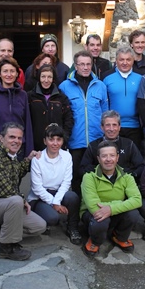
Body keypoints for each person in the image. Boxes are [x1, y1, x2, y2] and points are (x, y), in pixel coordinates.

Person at [0, 122, 46, 261]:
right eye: (12, 137)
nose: (16, 141)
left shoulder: (12, 156)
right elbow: (6, 190)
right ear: (1, 138)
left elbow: (18, 171)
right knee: (16, 200)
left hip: (4, 206)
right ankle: (6, 247)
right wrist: (23, 200)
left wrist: (29, 159)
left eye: (19, 138)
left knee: (39, 226)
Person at [80, 141, 142, 258]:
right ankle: (95, 241)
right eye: (104, 156)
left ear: (117, 157)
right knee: (100, 218)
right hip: (92, 215)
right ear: (98, 159)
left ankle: (119, 237)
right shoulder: (89, 177)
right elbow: (93, 207)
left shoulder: (127, 176)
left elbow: (137, 200)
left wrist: (110, 208)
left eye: (112, 155)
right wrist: (120, 205)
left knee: (133, 213)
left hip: (113, 212)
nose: (108, 159)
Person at [59, 50, 108, 194]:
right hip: (75, 141)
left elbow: (105, 113)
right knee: (76, 177)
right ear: (76, 65)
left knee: (98, 177)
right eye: (82, 64)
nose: (86, 67)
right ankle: (77, 210)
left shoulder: (101, 86)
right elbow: (62, 116)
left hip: (96, 140)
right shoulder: (64, 87)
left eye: (88, 64)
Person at [27, 123, 82, 245]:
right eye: (51, 139)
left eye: (59, 139)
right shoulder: (38, 159)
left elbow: (66, 182)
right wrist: (54, 203)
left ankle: (73, 228)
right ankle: (40, 217)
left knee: (72, 197)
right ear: (45, 141)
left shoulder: (67, 156)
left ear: (62, 141)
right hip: (40, 197)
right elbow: (37, 188)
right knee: (53, 218)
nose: (55, 143)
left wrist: (56, 202)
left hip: (58, 192)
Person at [0, 58, 33, 158]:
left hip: (19, 147)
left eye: (12, 71)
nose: (9, 75)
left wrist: (28, 150)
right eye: (5, 71)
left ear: (17, 74)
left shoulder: (23, 95)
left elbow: (28, 123)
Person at [79, 110, 145, 183]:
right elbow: (82, 169)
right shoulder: (93, 146)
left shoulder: (129, 144)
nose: (111, 129)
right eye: (107, 125)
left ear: (119, 127)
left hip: (125, 185)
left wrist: (131, 175)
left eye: (114, 125)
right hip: (100, 185)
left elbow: (141, 166)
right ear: (102, 127)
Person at [102, 45, 144, 153]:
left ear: (133, 60)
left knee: (134, 158)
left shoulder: (140, 79)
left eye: (128, 59)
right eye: (121, 59)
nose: (125, 63)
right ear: (116, 61)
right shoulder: (107, 78)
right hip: (113, 127)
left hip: (135, 127)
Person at [28, 64, 74, 152]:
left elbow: (68, 119)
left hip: (56, 145)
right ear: (39, 78)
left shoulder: (61, 98)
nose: (46, 80)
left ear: (53, 79)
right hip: (36, 145)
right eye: (43, 77)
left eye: (49, 77)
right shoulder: (30, 97)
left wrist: (64, 138)